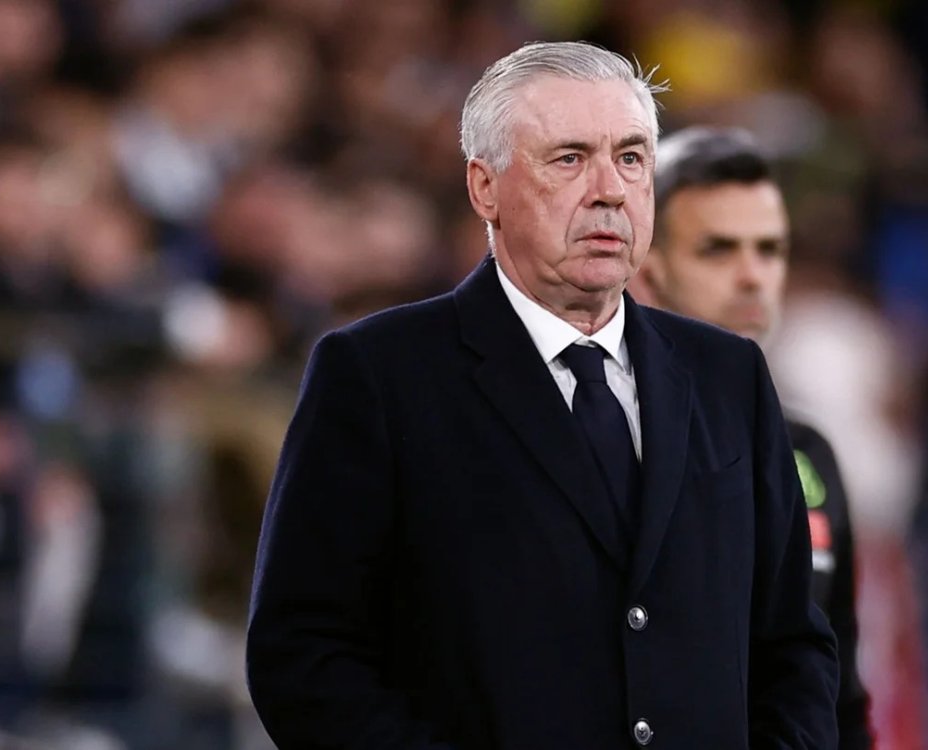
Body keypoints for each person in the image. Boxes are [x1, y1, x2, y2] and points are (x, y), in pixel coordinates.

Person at [246, 42, 838, 750]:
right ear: (484, 188)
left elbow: (793, 643)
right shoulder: (378, 373)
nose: (609, 190)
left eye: (631, 158)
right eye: (569, 158)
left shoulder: (729, 374)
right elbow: (303, 653)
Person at [633, 126, 871, 748]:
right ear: (647, 270)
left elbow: (837, 691)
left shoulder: (807, 455)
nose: (751, 277)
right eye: (717, 250)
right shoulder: (601, 438)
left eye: (769, 250)